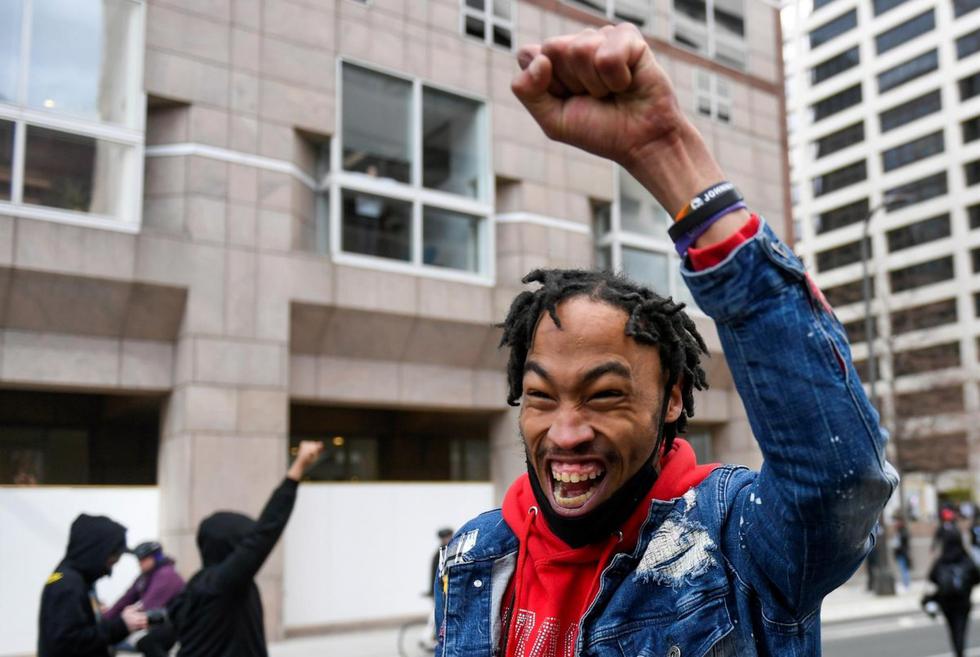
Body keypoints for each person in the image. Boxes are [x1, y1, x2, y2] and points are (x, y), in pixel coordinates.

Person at [433, 23, 897, 657]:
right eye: (541, 397)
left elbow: (840, 481)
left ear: (673, 400)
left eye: (604, 397)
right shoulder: (476, 555)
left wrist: (666, 152)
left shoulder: (734, 540)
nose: (565, 433)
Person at [168, 440, 324, 657]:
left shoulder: (203, 584)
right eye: (244, 542)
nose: (249, 550)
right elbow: (265, 532)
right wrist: (297, 468)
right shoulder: (221, 585)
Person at [38, 514, 148, 657]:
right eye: (112, 557)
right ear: (97, 551)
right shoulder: (68, 585)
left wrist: (94, 615)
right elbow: (69, 643)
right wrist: (120, 626)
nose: (111, 566)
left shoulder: (71, 578)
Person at [105, 541, 185, 657]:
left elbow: (150, 606)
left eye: (143, 559)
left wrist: (119, 622)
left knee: (146, 643)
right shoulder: (146, 575)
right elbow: (125, 599)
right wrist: (105, 619)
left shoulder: (166, 575)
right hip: (161, 623)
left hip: (174, 624)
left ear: (155, 558)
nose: (139, 563)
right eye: (138, 559)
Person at [925, 528, 980, 657]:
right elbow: (977, 577)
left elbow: (932, 577)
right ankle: (960, 652)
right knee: (961, 629)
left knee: (952, 630)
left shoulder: (941, 560)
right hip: (963, 602)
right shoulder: (965, 558)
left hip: (946, 603)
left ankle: (957, 651)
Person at [892, 516, 912, 591]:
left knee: (904, 569)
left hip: (903, 553)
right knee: (902, 569)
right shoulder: (898, 532)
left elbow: (904, 542)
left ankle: (906, 584)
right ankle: (905, 584)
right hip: (900, 553)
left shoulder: (903, 532)